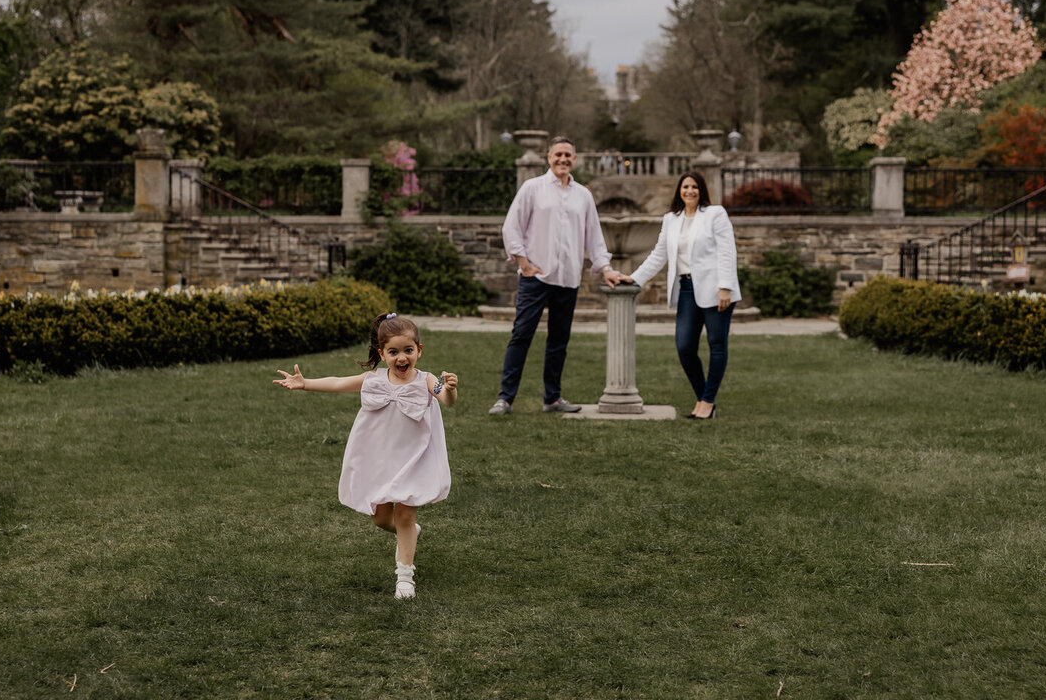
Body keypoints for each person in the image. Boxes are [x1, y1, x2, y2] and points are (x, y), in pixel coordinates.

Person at [273, 312, 458, 599]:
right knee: (382, 519)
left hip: (414, 457)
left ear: (418, 351)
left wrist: (449, 389)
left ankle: (405, 578)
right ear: (382, 353)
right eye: (393, 351)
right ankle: (409, 533)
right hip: (381, 458)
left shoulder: (427, 380)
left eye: (408, 351)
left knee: (405, 515)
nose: (401, 358)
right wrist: (305, 383)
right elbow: (337, 383)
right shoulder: (373, 380)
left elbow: (445, 398)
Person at [489, 136, 624, 415]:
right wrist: (524, 263)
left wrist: (606, 268)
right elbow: (511, 227)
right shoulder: (533, 188)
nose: (563, 159)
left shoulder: (583, 195)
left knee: (559, 342)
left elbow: (594, 237)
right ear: (548, 157)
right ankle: (505, 398)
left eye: (568, 155)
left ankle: (552, 398)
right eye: (558, 154)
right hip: (535, 277)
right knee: (521, 335)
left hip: (568, 279)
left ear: (575, 159)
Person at [622, 171, 741, 420]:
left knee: (716, 346)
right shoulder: (671, 220)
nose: (690, 191)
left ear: (702, 190)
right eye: (686, 186)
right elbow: (658, 255)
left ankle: (707, 402)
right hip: (686, 289)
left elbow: (727, 252)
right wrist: (634, 278)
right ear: (679, 190)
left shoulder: (715, 214)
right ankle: (703, 396)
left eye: (695, 187)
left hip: (716, 289)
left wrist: (726, 287)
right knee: (685, 346)